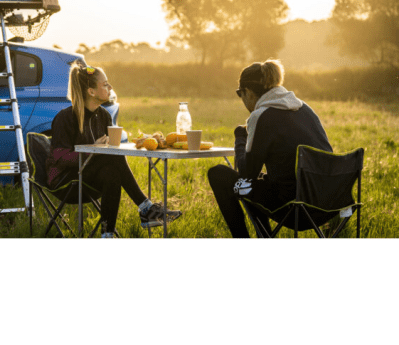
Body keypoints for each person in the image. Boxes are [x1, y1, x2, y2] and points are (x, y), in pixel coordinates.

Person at [47, 61, 181, 237]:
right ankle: (145, 208)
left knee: (112, 172)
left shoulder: (103, 116)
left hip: (89, 176)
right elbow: (61, 158)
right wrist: (93, 149)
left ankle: (107, 234)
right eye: (105, 84)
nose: (110, 87)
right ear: (91, 91)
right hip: (66, 180)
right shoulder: (65, 118)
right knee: (111, 156)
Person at [207, 59, 332, 238]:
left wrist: (240, 137)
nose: (241, 100)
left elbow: (245, 176)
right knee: (259, 184)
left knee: (218, 174)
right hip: (328, 203)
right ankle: (264, 236)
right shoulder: (305, 109)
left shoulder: (262, 116)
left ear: (248, 92)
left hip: (294, 208)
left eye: (239, 94)